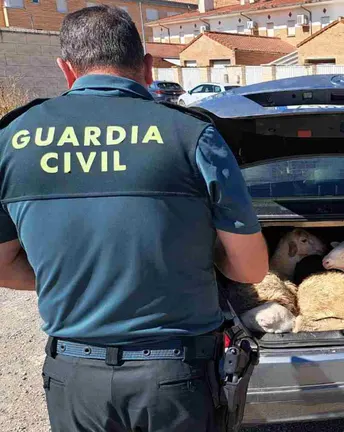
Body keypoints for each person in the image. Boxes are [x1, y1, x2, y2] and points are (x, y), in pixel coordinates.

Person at [0, 5, 268, 431]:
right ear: (146, 67)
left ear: (66, 69)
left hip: (74, 377)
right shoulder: (192, 134)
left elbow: (3, 266)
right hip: (176, 376)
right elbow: (251, 267)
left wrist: (76, 274)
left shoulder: (12, 138)